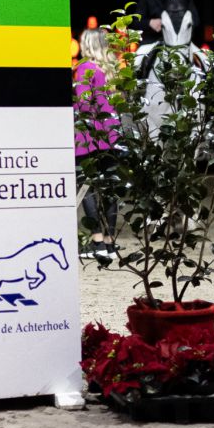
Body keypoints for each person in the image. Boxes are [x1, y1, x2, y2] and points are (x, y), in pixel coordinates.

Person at [74, 27, 120, 260]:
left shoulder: (85, 69)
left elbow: (83, 104)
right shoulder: (112, 71)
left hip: (89, 138)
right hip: (112, 137)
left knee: (88, 188)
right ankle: (111, 243)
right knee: (110, 191)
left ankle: (98, 242)